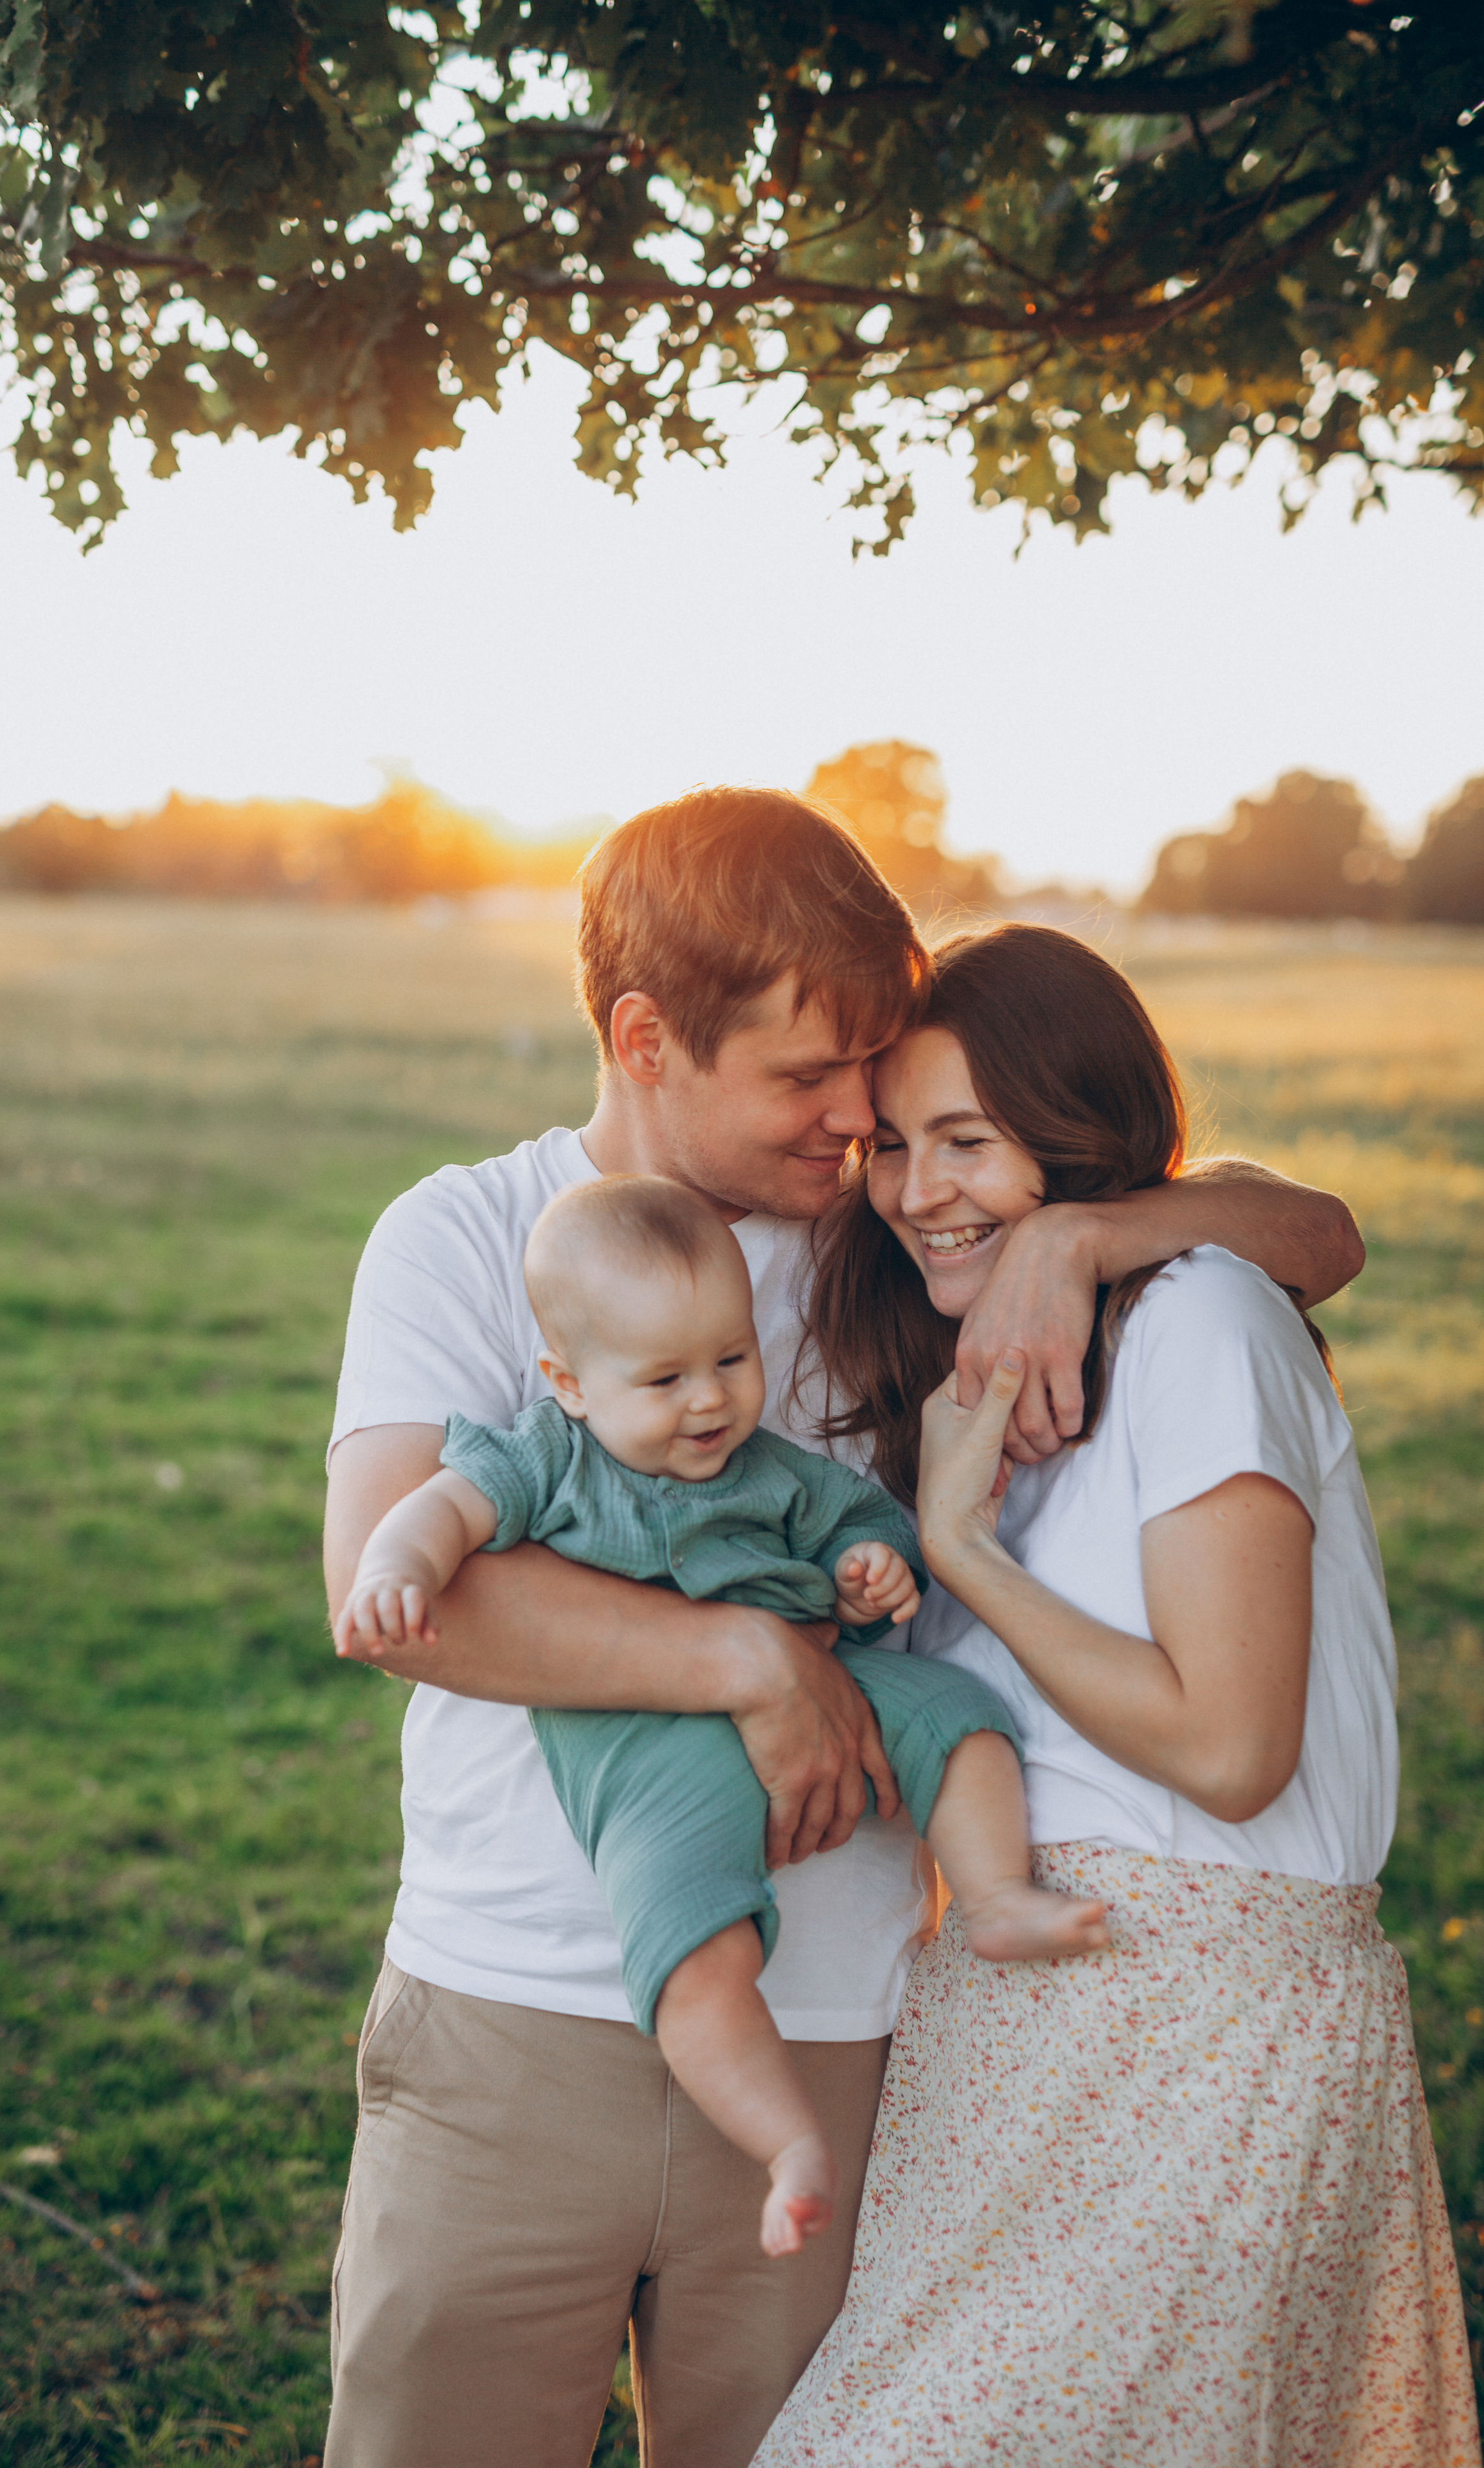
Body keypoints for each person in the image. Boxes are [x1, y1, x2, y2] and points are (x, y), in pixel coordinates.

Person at [320, 787, 1364, 2468]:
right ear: (645, 1041)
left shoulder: (891, 1235)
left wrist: (1087, 1234)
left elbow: (1316, 1235)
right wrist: (751, 1663)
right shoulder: (466, 1237)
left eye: (868, 1067)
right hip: (516, 2011)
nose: (856, 1115)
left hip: (835, 2031)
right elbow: (397, 1592)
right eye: (809, 1076)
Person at [758, 921, 1480, 2467]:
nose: (917, 1191)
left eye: (967, 1141)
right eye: (892, 1146)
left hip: (1194, 2036)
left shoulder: (1197, 1316)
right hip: (1005, 2047)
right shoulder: (984, 1376)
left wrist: (962, 1545)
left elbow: (1228, 1748)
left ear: (1073, 1137)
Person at [334, 1175, 1107, 2260]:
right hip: (652, 1755)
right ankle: (786, 2145)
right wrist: (396, 1571)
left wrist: (866, 1570)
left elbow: (854, 1529)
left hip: (823, 1689)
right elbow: (439, 1512)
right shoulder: (544, 1456)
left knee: (960, 1715)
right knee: (698, 1957)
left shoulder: (769, 1470)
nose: (709, 1402)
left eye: (732, 1361)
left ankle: (995, 1899)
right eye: (665, 1379)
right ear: (569, 1383)